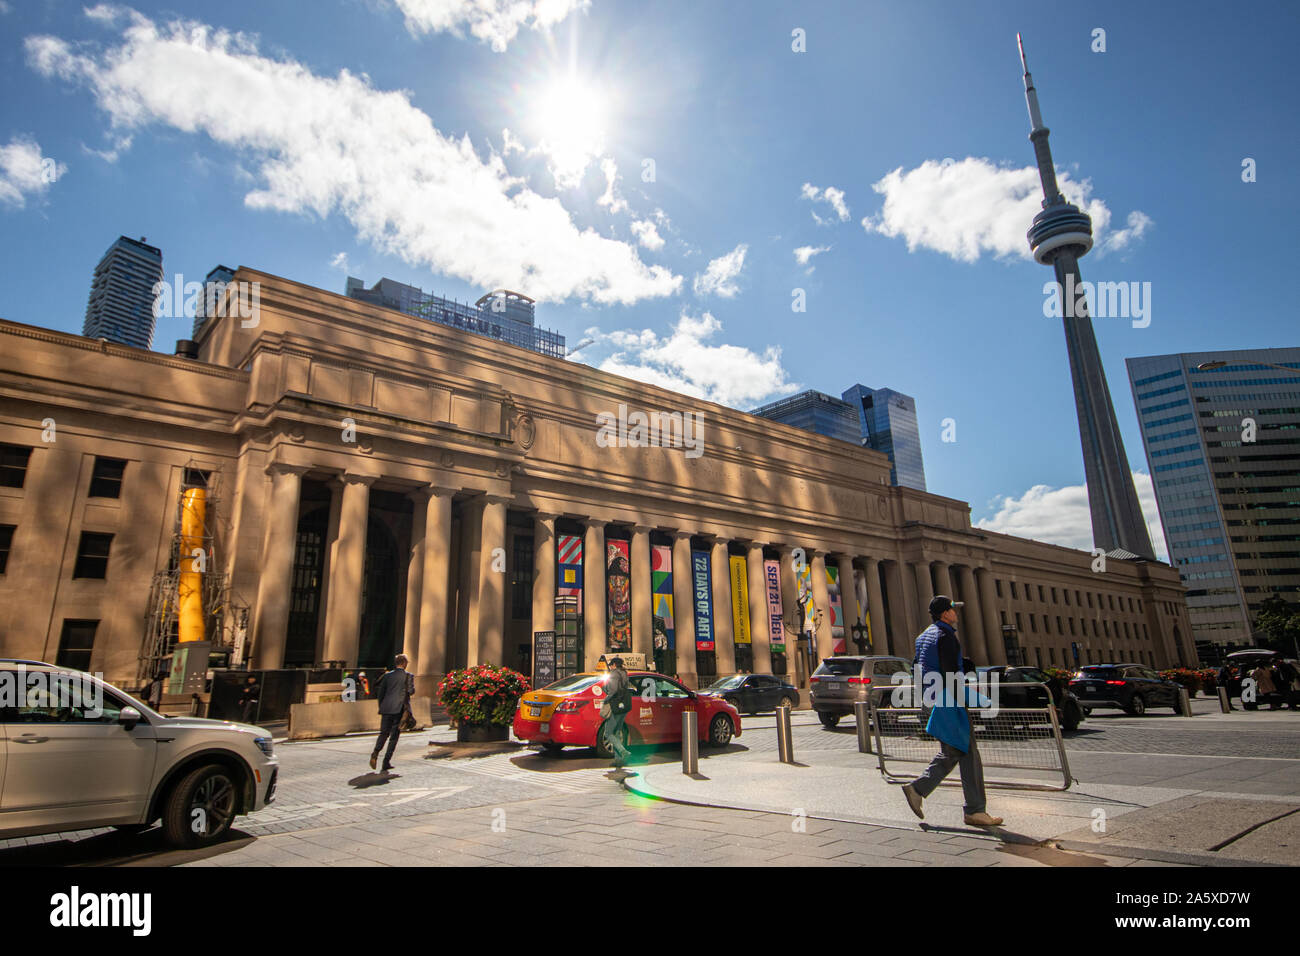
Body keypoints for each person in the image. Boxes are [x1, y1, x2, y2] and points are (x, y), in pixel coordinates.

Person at [900, 595, 1003, 828]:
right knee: (961, 750)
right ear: (945, 614)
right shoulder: (946, 635)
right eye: (953, 609)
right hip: (948, 699)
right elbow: (949, 673)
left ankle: (974, 809)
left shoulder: (923, 636)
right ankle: (921, 789)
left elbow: (919, 666)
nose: (956, 613)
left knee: (961, 750)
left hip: (931, 696)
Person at [370, 654, 415, 772]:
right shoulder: (408, 676)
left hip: (386, 708)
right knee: (394, 737)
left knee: (383, 733)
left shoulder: (387, 676)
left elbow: (381, 694)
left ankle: (375, 752)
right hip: (399, 709)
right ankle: (386, 761)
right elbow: (411, 691)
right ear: (404, 663)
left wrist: (382, 706)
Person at [602, 657, 634, 769]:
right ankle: (618, 760)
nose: (610, 666)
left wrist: (606, 697)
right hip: (624, 705)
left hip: (615, 705)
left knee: (608, 733)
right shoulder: (624, 673)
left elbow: (613, 690)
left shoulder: (614, 674)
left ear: (615, 664)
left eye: (611, 665)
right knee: (616, 732)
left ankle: (623, 752)